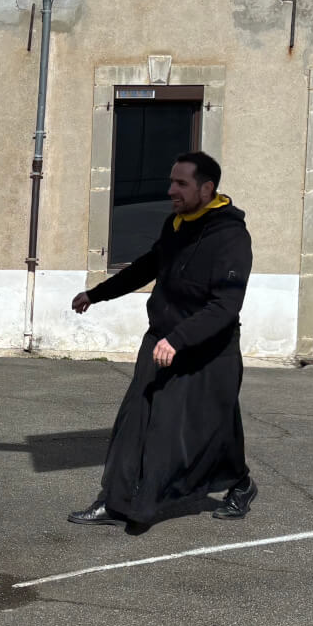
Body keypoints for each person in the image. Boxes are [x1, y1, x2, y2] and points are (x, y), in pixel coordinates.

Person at [68, 151, 258, 533]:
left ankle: (240, 483)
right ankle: (115, 502)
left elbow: (226, 305)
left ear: (207, 188)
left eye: (181, 183)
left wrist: (179, 338)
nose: (171, 190)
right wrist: (97, 294)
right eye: (171, 181)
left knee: (206, 428)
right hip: (161, 342)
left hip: (207, 350)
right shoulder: (176, 225)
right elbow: (147, 266)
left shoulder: (231, 237)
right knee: (134, 421)